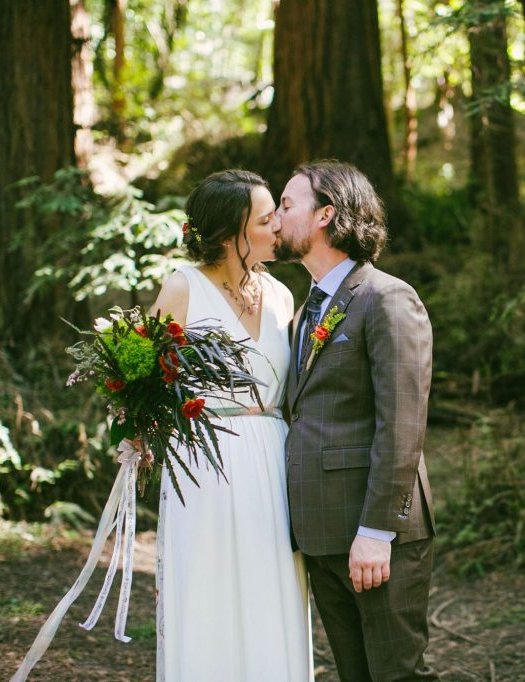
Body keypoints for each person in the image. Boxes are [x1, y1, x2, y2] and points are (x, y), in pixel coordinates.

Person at [275, 159, 437, 681]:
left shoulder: (387, 299)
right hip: (323, 536)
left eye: (286, 205)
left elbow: (402, 424)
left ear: (325, 215)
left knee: (397, 675)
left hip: (374, 535)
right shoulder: (307, 311)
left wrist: (376, 530)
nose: (275, 219)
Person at [150, 169, 312, 681]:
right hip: (205, 463)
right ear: (229, 235)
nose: (279, 227)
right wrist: (141, 434)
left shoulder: (283, 296)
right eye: (266, 220)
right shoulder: (183, 288)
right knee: (208, 589)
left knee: (275, 587)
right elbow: (143, 377)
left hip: (273, 461)